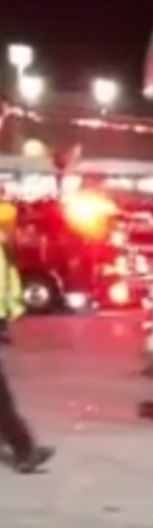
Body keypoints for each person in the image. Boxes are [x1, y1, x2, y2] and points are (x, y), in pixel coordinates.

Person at [0, 201, 54, 473]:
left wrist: (6, 321)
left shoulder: (4, 253)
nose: (14, 231)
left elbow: (7, 292)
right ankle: (25, 451)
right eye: (9, 226)